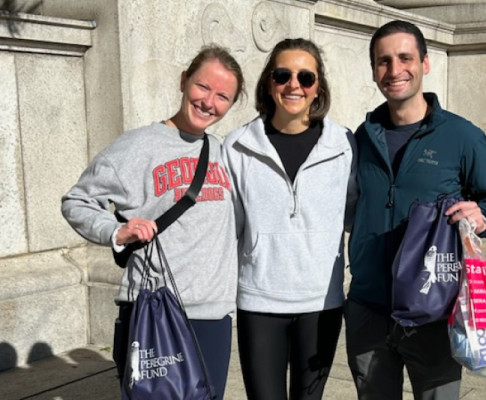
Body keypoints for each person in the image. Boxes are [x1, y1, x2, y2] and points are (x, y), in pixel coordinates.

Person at [61, 44, 245, 399]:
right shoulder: (137, 146)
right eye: (202, 87)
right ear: (183, 81)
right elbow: (77, 201)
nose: (209, 102)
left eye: (223, 96)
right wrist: (116, 231)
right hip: (153, 309)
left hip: (212, 315)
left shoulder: (222, 152)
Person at [345, 20, 486, 400]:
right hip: (369, 307)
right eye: (383, 61)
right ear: (374, 71)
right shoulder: (362, 136)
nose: (394, 70)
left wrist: (483, 216)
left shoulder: (461, 136)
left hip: (434, 311)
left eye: (405, 58)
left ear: (425, 63)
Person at [223, 38, 357, 400]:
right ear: (269, 83)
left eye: (305, 77)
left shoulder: (344, 145)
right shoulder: (236, 146)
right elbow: (225, 226)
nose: (293, 84)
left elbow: (358, 213)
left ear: (318, 88)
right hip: (259, 301)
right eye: (282, 75)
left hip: (321, 302)